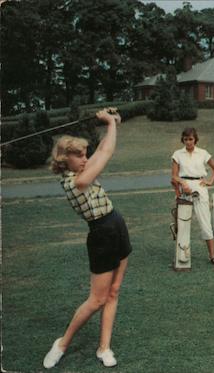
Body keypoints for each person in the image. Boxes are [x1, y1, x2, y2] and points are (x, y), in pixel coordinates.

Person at [43, 108, 130, 369]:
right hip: (101, 233)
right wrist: (110, 123)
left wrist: (111, 123)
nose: (84, 158)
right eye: (78, 155)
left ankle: (104, 348)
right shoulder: (75, 182)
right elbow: (106, 153)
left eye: (84, 154)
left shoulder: (82, 168)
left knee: (113, 292)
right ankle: (62, 343)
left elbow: (103, 146)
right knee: (96, 300)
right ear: (63, 159)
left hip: (116, 224)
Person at [171, 127, 214, 265]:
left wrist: (210, 181)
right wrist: (182, 183)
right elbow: (174, 176)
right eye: (186, 139)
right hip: (184, 187)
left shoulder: (203, 153)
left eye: (191, 139)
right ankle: (181, 256)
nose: (188, 142)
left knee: (205, 222)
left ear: (195, 139)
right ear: (183, 140)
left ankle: (212, 256)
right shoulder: (177, 154)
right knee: (182, 223)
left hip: (200, 187)